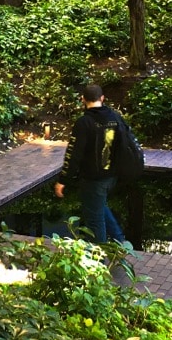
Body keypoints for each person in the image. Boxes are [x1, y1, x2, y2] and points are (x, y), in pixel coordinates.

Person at [54, 84, 126, 244]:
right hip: (112, 177)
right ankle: (119, 241)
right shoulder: (115, 118)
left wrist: (63, 180)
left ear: (83, 99)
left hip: (93, 179)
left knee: (94, 221)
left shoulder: (84, 123)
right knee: (99, 207)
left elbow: (73, 155)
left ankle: (98, 257)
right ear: (102, 98)